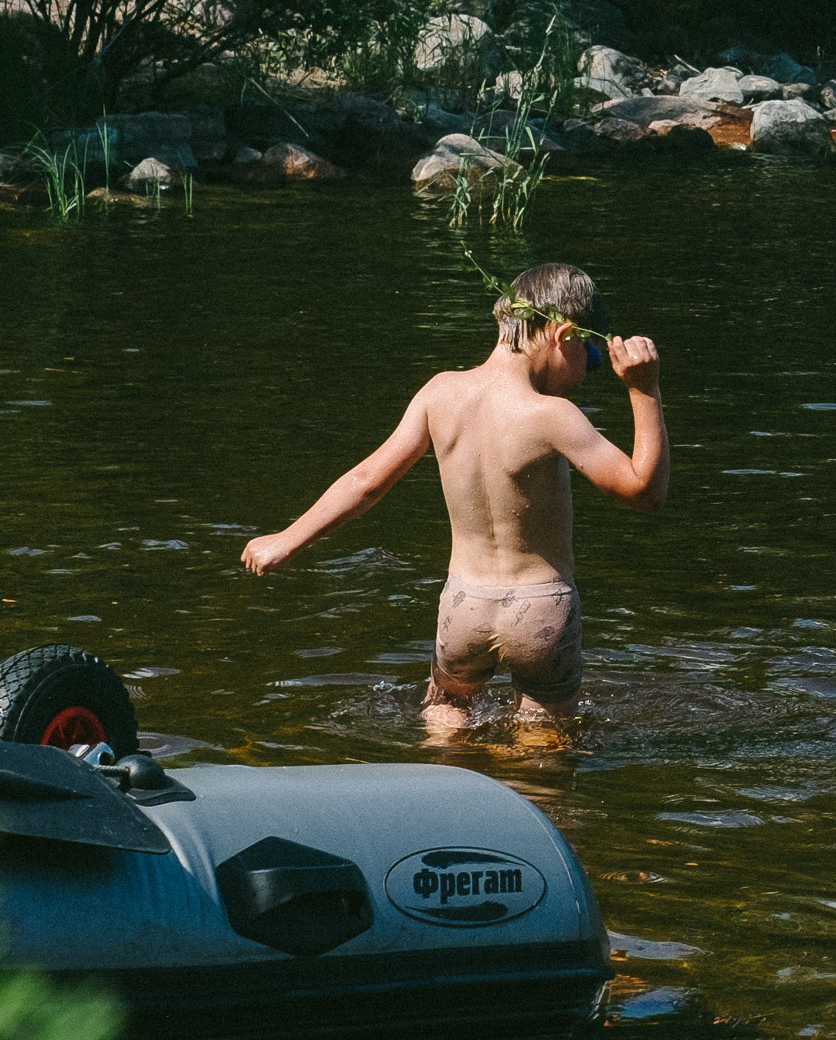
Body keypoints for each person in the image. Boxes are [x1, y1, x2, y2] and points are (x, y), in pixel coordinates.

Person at [239, 263, 667, 740]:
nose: (586, 376)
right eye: (592, 359)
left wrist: (287, 539)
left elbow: (366, 482)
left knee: (446, 719)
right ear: (564, 335)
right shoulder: (553, 415)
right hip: (540, 609)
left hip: (464, 606)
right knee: (541, 750)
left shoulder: (439, 393)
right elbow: (644, 491)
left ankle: (445, 778)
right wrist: (643, 390)